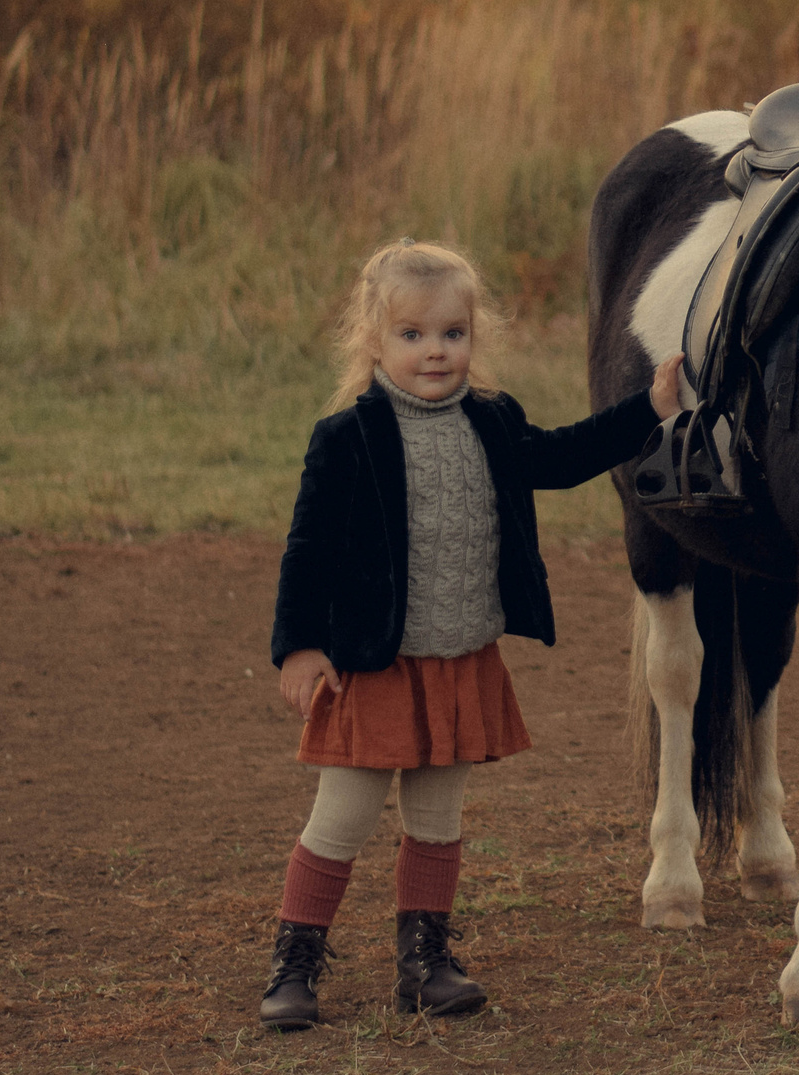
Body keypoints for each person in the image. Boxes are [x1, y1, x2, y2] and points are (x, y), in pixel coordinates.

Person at [260, 238, 682, 1030]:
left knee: (438, 819)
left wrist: (649, 410)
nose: (435, 351)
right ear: (375, 341)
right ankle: (296, 961)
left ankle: (425, 960)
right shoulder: (347, 436)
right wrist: (301, 645)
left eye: (452, 333)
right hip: (374, 663)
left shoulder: (492, 422)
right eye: (413, 334)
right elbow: (307, 546)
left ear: (472, 337)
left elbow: (562, 457)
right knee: (342, 818)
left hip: (459, 658)